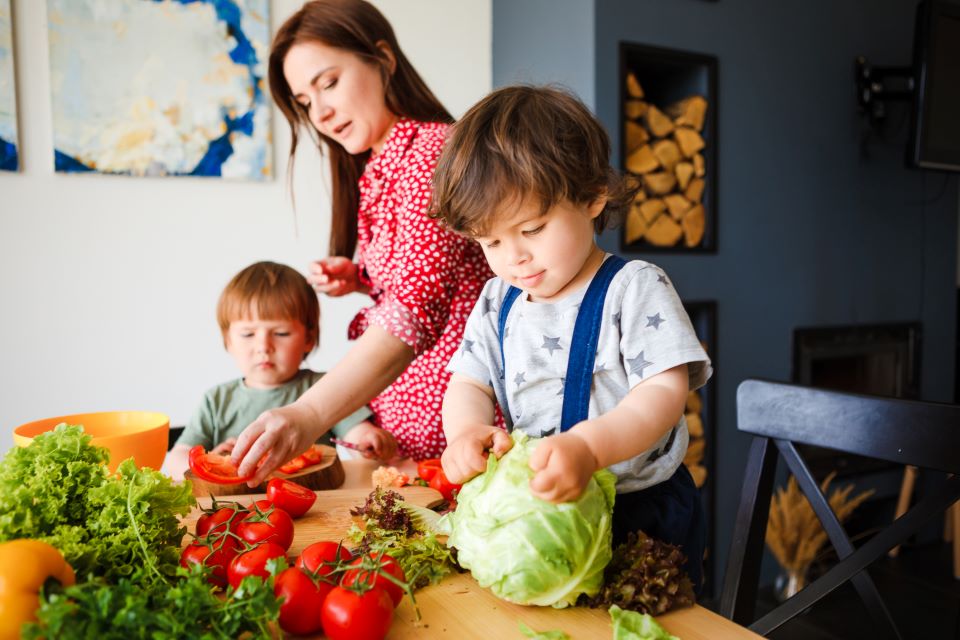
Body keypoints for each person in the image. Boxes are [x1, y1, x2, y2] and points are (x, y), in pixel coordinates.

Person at [430, 85, 712, 591]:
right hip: (543, 512)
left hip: (639, 512)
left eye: (532, 229)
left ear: (592, 196)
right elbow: (470, 383)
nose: (513, 256)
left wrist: (589, 448)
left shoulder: (634, 288)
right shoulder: (499, 300)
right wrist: (465, 431)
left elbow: (664, 395)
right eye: (491, 241)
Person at [231, 0, 491, 484]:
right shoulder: (378, 165)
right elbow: (425, 272)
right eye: (305, 101)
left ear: (383, 60)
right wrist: (363, 279)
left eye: (328, 82)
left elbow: (414, 308)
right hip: (408, 449)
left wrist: (309, 414)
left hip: (458, 445)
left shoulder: (433, 151)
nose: (321, 112)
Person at [164, 261, 387, 479]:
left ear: (309, 339)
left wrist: (368, 441)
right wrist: (212, 461)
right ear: (228, 340)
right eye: (248, 334)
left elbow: (356, 435)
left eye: (281, 333)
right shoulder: (216, 400)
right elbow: (176, 460)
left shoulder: (323, 388)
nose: (263, 347)